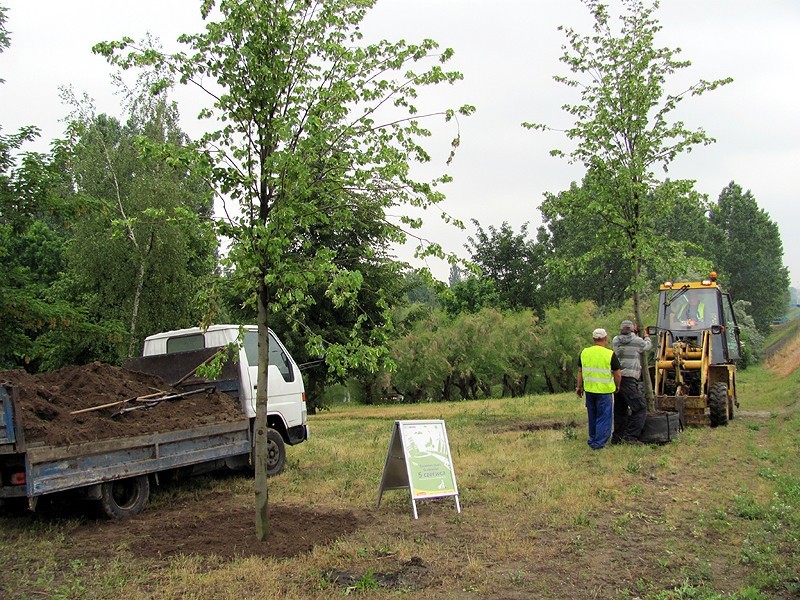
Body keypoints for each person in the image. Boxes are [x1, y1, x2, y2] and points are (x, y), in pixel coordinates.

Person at [576, 328, 622, 450]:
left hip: (590, 391)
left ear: (593, 339)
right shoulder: (609, 354)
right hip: (604, 391)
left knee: (593, 416)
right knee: (604, 417)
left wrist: (579, 387)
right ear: (605, 339)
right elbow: (617, 373)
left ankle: (593, 439)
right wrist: (617, 385)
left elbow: (580, 371)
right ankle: (599, 444)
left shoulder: (584, 352)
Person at [612, 320, 652, 444]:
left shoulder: (615, 341)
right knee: (640, 408)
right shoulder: (637, 341)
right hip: (629, 379)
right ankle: (631, 437)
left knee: (620, 409)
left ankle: (617, 438)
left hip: (617, 378)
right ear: (633, 330)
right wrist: (646, 336)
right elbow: (647, 346)